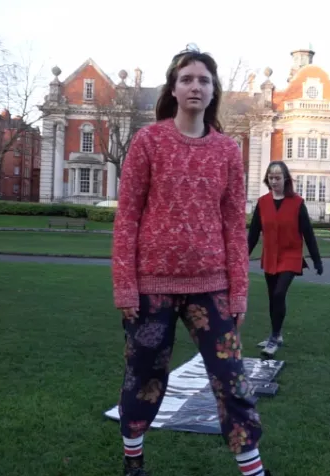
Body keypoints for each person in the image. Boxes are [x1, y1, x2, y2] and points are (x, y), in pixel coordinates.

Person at [112, 44, 272, 476]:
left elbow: (233, 228)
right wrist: (125, 285)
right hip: (151, 287)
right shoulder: (149, 141)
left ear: (214, 89)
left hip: (211, 287)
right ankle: (133, 459)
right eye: (187, 79)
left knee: (232, 380)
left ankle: (253, 470)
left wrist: (239, 292)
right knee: (144, 376)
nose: (195, 86)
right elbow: (127, 217)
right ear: (174, 88)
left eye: (203, 79)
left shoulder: (226, 152)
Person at [247, 161, 323, 359]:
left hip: (290, 256)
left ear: (286, 179)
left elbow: (308, 233)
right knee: (273, 297)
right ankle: (277, 334)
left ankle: (273, 338)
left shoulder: (297, 203)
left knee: (279, 293)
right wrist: (242, 258)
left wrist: (317, 260)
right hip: (270, 256)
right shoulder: (262, 203)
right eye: (271, 178)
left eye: (278, 178)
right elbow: (253, 234)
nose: (274, 181)